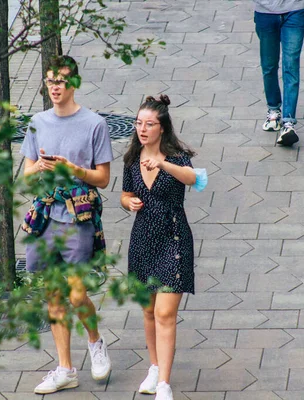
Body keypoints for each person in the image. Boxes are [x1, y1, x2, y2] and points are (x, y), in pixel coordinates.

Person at [20, 55, 113, 394]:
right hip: (45, 216)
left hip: (78, 215)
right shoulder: (38, 122)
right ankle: (65, 368)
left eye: (60, 81)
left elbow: (103, 178)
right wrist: (41, 168)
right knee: (54, 294)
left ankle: (95, 341)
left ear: (74, 82)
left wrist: (73, 170)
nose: (55, 87)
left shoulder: (94, 124)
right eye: (49, 82)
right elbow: (27, 172)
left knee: (76, 293)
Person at [121, 95, 203, 400]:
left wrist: (163, 164)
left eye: (149, 124)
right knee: (148, 310)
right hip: (142, 240)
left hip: (173, 239)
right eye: (139, 123)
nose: (142, 129)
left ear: (162, 128)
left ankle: (164, 384)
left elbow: (195, 179)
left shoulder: (177, 158)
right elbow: (125, 193)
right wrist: (127, 201)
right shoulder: (132, 158)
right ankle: (154, 367)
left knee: (165, 313)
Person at [254, 0, 304, 146]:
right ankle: (273, 109)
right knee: (269, 66)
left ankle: (288, 122)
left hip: (295, 11)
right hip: (265, 12)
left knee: (291, 66)